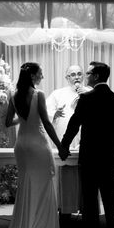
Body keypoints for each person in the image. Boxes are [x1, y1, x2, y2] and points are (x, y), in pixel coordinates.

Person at [0, 62, 64, 228]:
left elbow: (8, 122)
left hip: (22, 145)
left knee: (26, 185)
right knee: (43, 186)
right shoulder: (38, 94)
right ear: (34, 76)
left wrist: (24, 118)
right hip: (38, 145)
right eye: (41, 73)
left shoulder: (13, 94)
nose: (42, 76)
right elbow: (45, 122)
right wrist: (60, 145)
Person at [59, 61, 114, 228]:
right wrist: (110, 147)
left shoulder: (87, 99)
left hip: (89, 155)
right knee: (110, 197)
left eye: (87, 73)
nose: (85, 76)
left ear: (95, 76)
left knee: (90, 197)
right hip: (108, 155)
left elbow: (74, 124)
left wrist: (64, 146)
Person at [46, 65, 92, 218]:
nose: (76, 77)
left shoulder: (91, 92)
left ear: (84, 76)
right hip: (64, 141)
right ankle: (64, 212)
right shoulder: (57, 94)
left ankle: (87, 213)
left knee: (87, 181)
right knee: (65, 179)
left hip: (87, 144)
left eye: (79, 74)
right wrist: (55, 113)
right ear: (67, 78)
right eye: (72, 74)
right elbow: (44, 113)